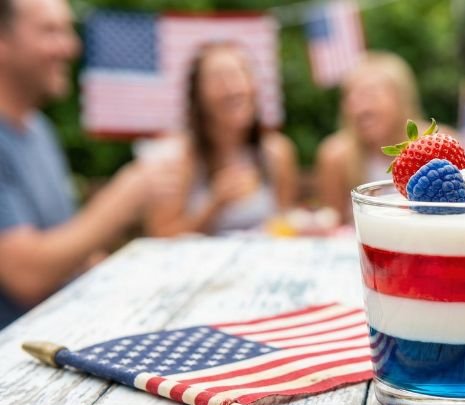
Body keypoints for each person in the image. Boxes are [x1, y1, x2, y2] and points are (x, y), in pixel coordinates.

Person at [0, 0, 153, 328]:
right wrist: (123, 198)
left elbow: (69, 253)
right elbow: (27, 276)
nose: (71, 47)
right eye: (50, 30)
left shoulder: (40, 129)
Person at [144, 43, 298, 236]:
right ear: (198, 95)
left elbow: (283, 225)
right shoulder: (179, 158)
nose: (234, 87)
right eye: (219, 78)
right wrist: (214, 205)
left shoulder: (278, 152)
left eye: (241, 73)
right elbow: (160, 238)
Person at [315, 52, 437, 222]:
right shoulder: (336, 156)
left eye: (369, 94)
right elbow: (333, 221)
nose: (358, 107)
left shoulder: (435, 144)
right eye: (350, 97)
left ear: (400, 99)